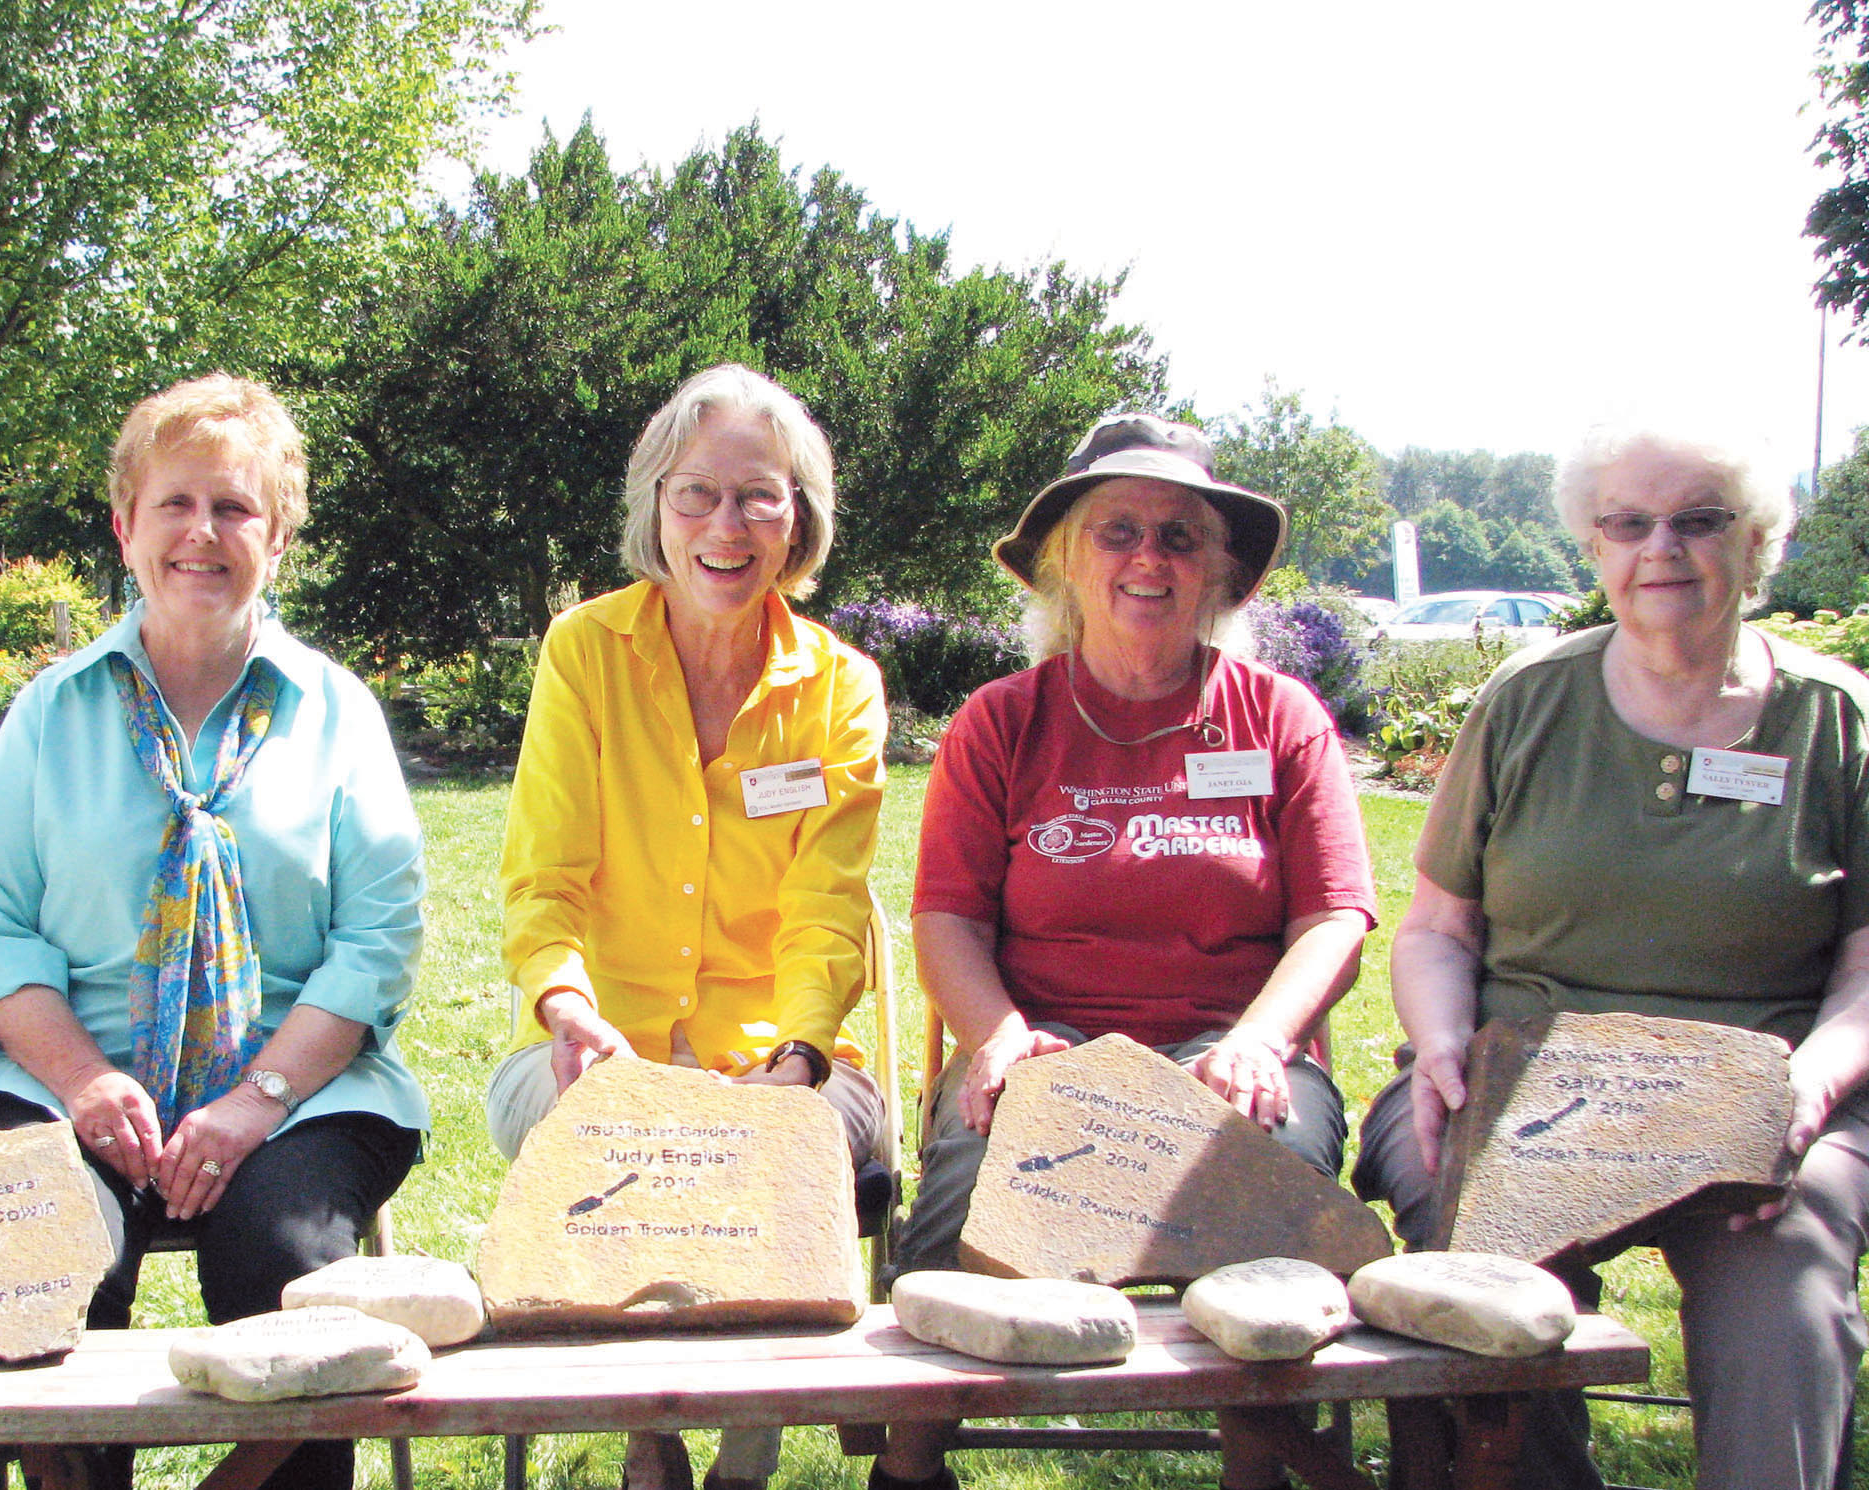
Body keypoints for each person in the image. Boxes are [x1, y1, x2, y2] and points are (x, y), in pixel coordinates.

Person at [1353, 427, 1869, 1490]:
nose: (1662, 548)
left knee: (1793, 1280)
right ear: (1595, 547)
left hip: (1758, 1092)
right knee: (1473, 1272)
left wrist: (1810, 1085)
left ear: (1758, 539)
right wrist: (1444, 1044)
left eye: (1699, 519)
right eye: (1629, 523)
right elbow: (1437, 928)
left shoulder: (1836, 719)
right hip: (1526, 1077)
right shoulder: (1528, 700)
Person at [874, 414, 1376, 1490]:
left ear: (1220, 571)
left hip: (1229, 1052)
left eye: (1180, 536)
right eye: (1118, 530)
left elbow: (1335, 913)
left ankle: (1263, 1459)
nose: (1149, 557)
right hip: (1044, 1049)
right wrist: (1002, 1038)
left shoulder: (1283, 720)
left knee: (1275, 1189)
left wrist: (1258, 1039)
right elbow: (947, 916)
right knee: (966, 1196)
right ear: (1066, 558)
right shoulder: (1000, 722)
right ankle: (911, 1462)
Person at [0, 373, 425, 1490]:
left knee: (289, 1261)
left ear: (280, 535)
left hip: (302, 1085)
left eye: (235, 507)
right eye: (174, 504)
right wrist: (78, 1078)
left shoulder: (337, 711)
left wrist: (252, 1101)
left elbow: (376, 940)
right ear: (124, 525)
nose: (202, 533)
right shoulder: (49, 711)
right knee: (48, 1265)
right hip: (76, 1078)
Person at [489, 363, 886, 1490]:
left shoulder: (841, 688)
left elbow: (827, 907)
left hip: (784, 1054)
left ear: (797, 516)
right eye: (694, 493)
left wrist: (799, 1057)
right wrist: (567, 1009)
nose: (725, 524)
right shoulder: (586, 652)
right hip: (597, 1045)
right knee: (608, 1132)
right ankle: (652, 1437)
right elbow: (545, 880)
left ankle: (742, 1462)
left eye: (759, 495)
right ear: (654, 507)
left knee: (777, 1147)